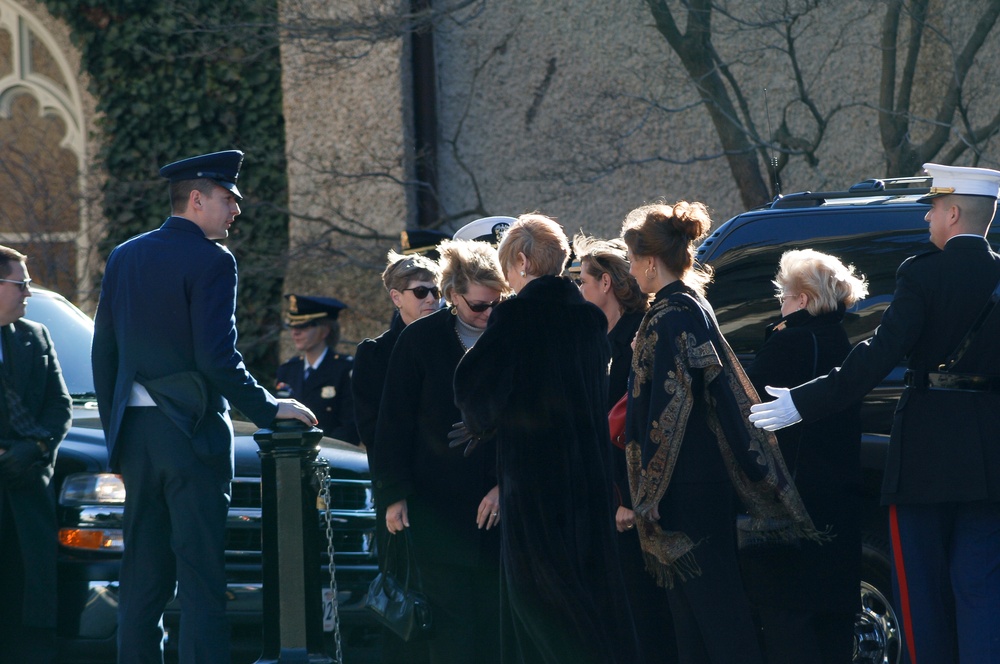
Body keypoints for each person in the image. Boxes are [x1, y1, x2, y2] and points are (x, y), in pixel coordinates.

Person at [750, 163, 1000, 664]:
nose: (928, 218)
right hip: (992, 458)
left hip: (925, 459)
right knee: (982, 594)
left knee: (923, 598)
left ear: (953, 213)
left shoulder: (922, 273)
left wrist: (802, 401)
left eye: (932, 208)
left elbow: (876, 357)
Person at [91, 149, 317, 664]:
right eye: (228, 199)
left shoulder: (124, 255)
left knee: (142, 583)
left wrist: (116, 437)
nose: (236, 210)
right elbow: (216, 359)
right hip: (190, 440)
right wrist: (268, 409)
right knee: (200, 581)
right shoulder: (214, 260)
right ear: (197, 200)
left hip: (137, 439)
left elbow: (103, 354)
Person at [620, 202, 821, 664]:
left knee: (714, 613)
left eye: (632, 261)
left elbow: (670, 406)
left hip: (684, 485)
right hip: (698, 480)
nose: (631, 271)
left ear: (650, 261)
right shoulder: (689, 305)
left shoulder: (671, 314)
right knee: (695, 616)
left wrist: (648, 491)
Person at [453, 214, 640, 664]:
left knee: (539, 605)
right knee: (589, 590)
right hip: (589, 479)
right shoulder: (590, 320)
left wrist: (485, 421)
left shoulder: (517, 314)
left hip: (536, 477)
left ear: (521, 259)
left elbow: (474, 387)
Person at [373, 238, 508, 664]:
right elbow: (393, 422)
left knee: (494, 628)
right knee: (450, 633)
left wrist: (508, 482)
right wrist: (393, 493)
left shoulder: (510, 336)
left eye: (496, 304)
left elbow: (533, 419)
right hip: (436, 505)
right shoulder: (420, 340)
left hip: (498, 507)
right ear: (452, 295)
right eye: (478, 306)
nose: (488, 314)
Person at [741, 249, 868, 663]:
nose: (780, 302)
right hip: (839, 500)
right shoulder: (842, 340)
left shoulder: (789, 343)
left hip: (793, 502)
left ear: (804, 299)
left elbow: (747, 408)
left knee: (788, 626)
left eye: (784, 295)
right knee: (833, 626)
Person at [572, 233, 675, 664]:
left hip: (634, 501)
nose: (579, 290)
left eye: (583, 281)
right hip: (605, 498)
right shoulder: (598, 340)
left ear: (605, 284)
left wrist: (627, 499)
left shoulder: (637, 337)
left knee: (646, 614)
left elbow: (638, 429)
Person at [352, 245, 441, 664]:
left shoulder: (449, 342)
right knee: (402, 592)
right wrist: (392, 493)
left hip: (445, 484)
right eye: (421, 292)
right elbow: (375, 432)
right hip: (401, 487)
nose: (431, 300)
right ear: (396, 297)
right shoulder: (375, 353)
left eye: (437, 291)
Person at [0, 247, 71, 664]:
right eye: (20, 283)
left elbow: (58, 406)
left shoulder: (35, 336)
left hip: (28, 491)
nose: (29, 292)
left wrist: (36, 448)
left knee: (31, 612)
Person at [276, 294, 359, 444]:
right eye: (293, 326)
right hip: (289, 452)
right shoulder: (288, 369)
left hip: (330, 454)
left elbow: (350, 427)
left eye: (303, 326)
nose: (295, 332)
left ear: (325, 330)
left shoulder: (345, 369)